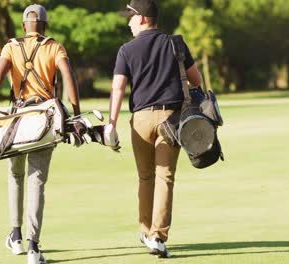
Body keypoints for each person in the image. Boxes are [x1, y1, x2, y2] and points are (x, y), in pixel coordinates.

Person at [0, 4, 80, 264]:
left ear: (25, 25)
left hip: (18, 120)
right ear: (44, 26)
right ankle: (33, 248)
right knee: (37, 181)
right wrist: (76, 112)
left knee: (15, 175)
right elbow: (69, 77)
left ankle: (15, 236)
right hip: (44, 120)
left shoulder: (10, 47)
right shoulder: (54, 47)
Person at [107, 0, 202, 258]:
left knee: (146, 177)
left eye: (130, 17)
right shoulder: (176, 43)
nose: (128, 22)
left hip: (140, 120)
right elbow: (196, 80)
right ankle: (157, 237)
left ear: (143, 19)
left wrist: (111, 123)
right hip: (172, 120)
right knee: (165, 177)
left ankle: (146, 229)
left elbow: (118, 88)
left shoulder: (126, 50)